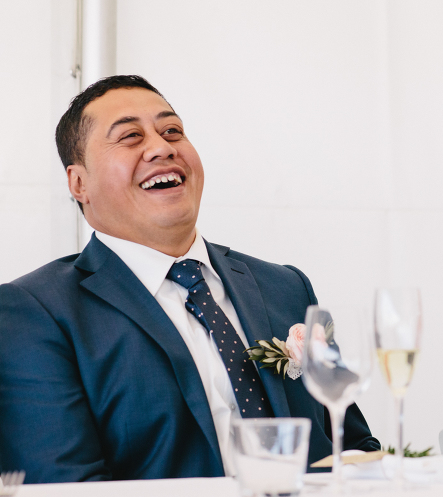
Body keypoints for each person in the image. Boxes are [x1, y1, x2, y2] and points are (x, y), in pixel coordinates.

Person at [0, 75, 379, 483]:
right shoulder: (34, 313)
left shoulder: (286, 287)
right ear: (79, 183)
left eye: (172, 131)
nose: (162, 147)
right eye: (130, 136)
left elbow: (355, 450)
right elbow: (64, 488)